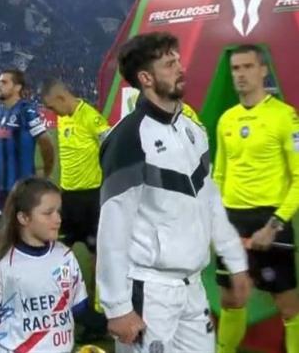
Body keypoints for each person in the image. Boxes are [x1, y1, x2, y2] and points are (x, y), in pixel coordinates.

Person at [97, 32, 251, 352]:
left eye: (178, 59)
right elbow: (112, 228)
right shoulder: (127, 140)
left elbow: (210, 202)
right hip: (148, 291)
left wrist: (235, 260)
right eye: (169, 64)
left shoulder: (193, 131)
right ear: (146, 78)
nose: (181, 68)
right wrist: (117, 308)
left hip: (192, 289)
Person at [214, 44, 299, 353]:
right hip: (232, 221)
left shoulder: (285, 117)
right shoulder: (227, 120)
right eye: (236, 68)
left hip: (269, 219)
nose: (241, 75)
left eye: (248, 67)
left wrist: (274, 225)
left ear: (263, 70)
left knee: (288, 306)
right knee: (231, 299)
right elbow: (220, 176)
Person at [0, 178, 88, 353]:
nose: (58, 219)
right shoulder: (4, 266)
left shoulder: (65, 257)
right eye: (48, 213)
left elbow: (78, 310)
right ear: (23, 217)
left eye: (58, 212)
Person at [41, 78, 110, 341]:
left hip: (92, 200)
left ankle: (98, 317)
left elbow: (110, 147)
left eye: (52, 107)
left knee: (98, 260)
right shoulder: (62, 119)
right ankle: (64, 311)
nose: (52, 113)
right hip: (67, 200)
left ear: (61, 98)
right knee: (55, 257)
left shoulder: (90, 117)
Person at [0, 69, 54, 203]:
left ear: (17, 87)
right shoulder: (0, 112)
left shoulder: (26, 110)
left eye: (4, 82)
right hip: (2, 188)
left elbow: (45, 141)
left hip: (22, 189)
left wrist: (46, 171)